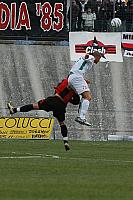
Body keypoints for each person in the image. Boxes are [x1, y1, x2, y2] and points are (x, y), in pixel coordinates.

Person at [7, 79, 80, 151]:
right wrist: (73, 96)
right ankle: (65, 141)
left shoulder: (67, 83)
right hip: (61, 106)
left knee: (34, 106)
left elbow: (59, 89)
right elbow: (76, 102)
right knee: (62, 123)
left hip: (54, 100)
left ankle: (14, 110)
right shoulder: (75, 91)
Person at [68, 51, 105, 126]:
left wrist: (84, 80)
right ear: (97, 56)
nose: (99, 60)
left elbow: (79, 68)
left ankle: (80, 115)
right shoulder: (92, 58)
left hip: (71, 77)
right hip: (76, 77)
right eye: (99, 58)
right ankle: (81, 117)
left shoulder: (85, 61)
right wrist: (87, 56)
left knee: (84, 97)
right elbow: (86, 57)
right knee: (88, 97)